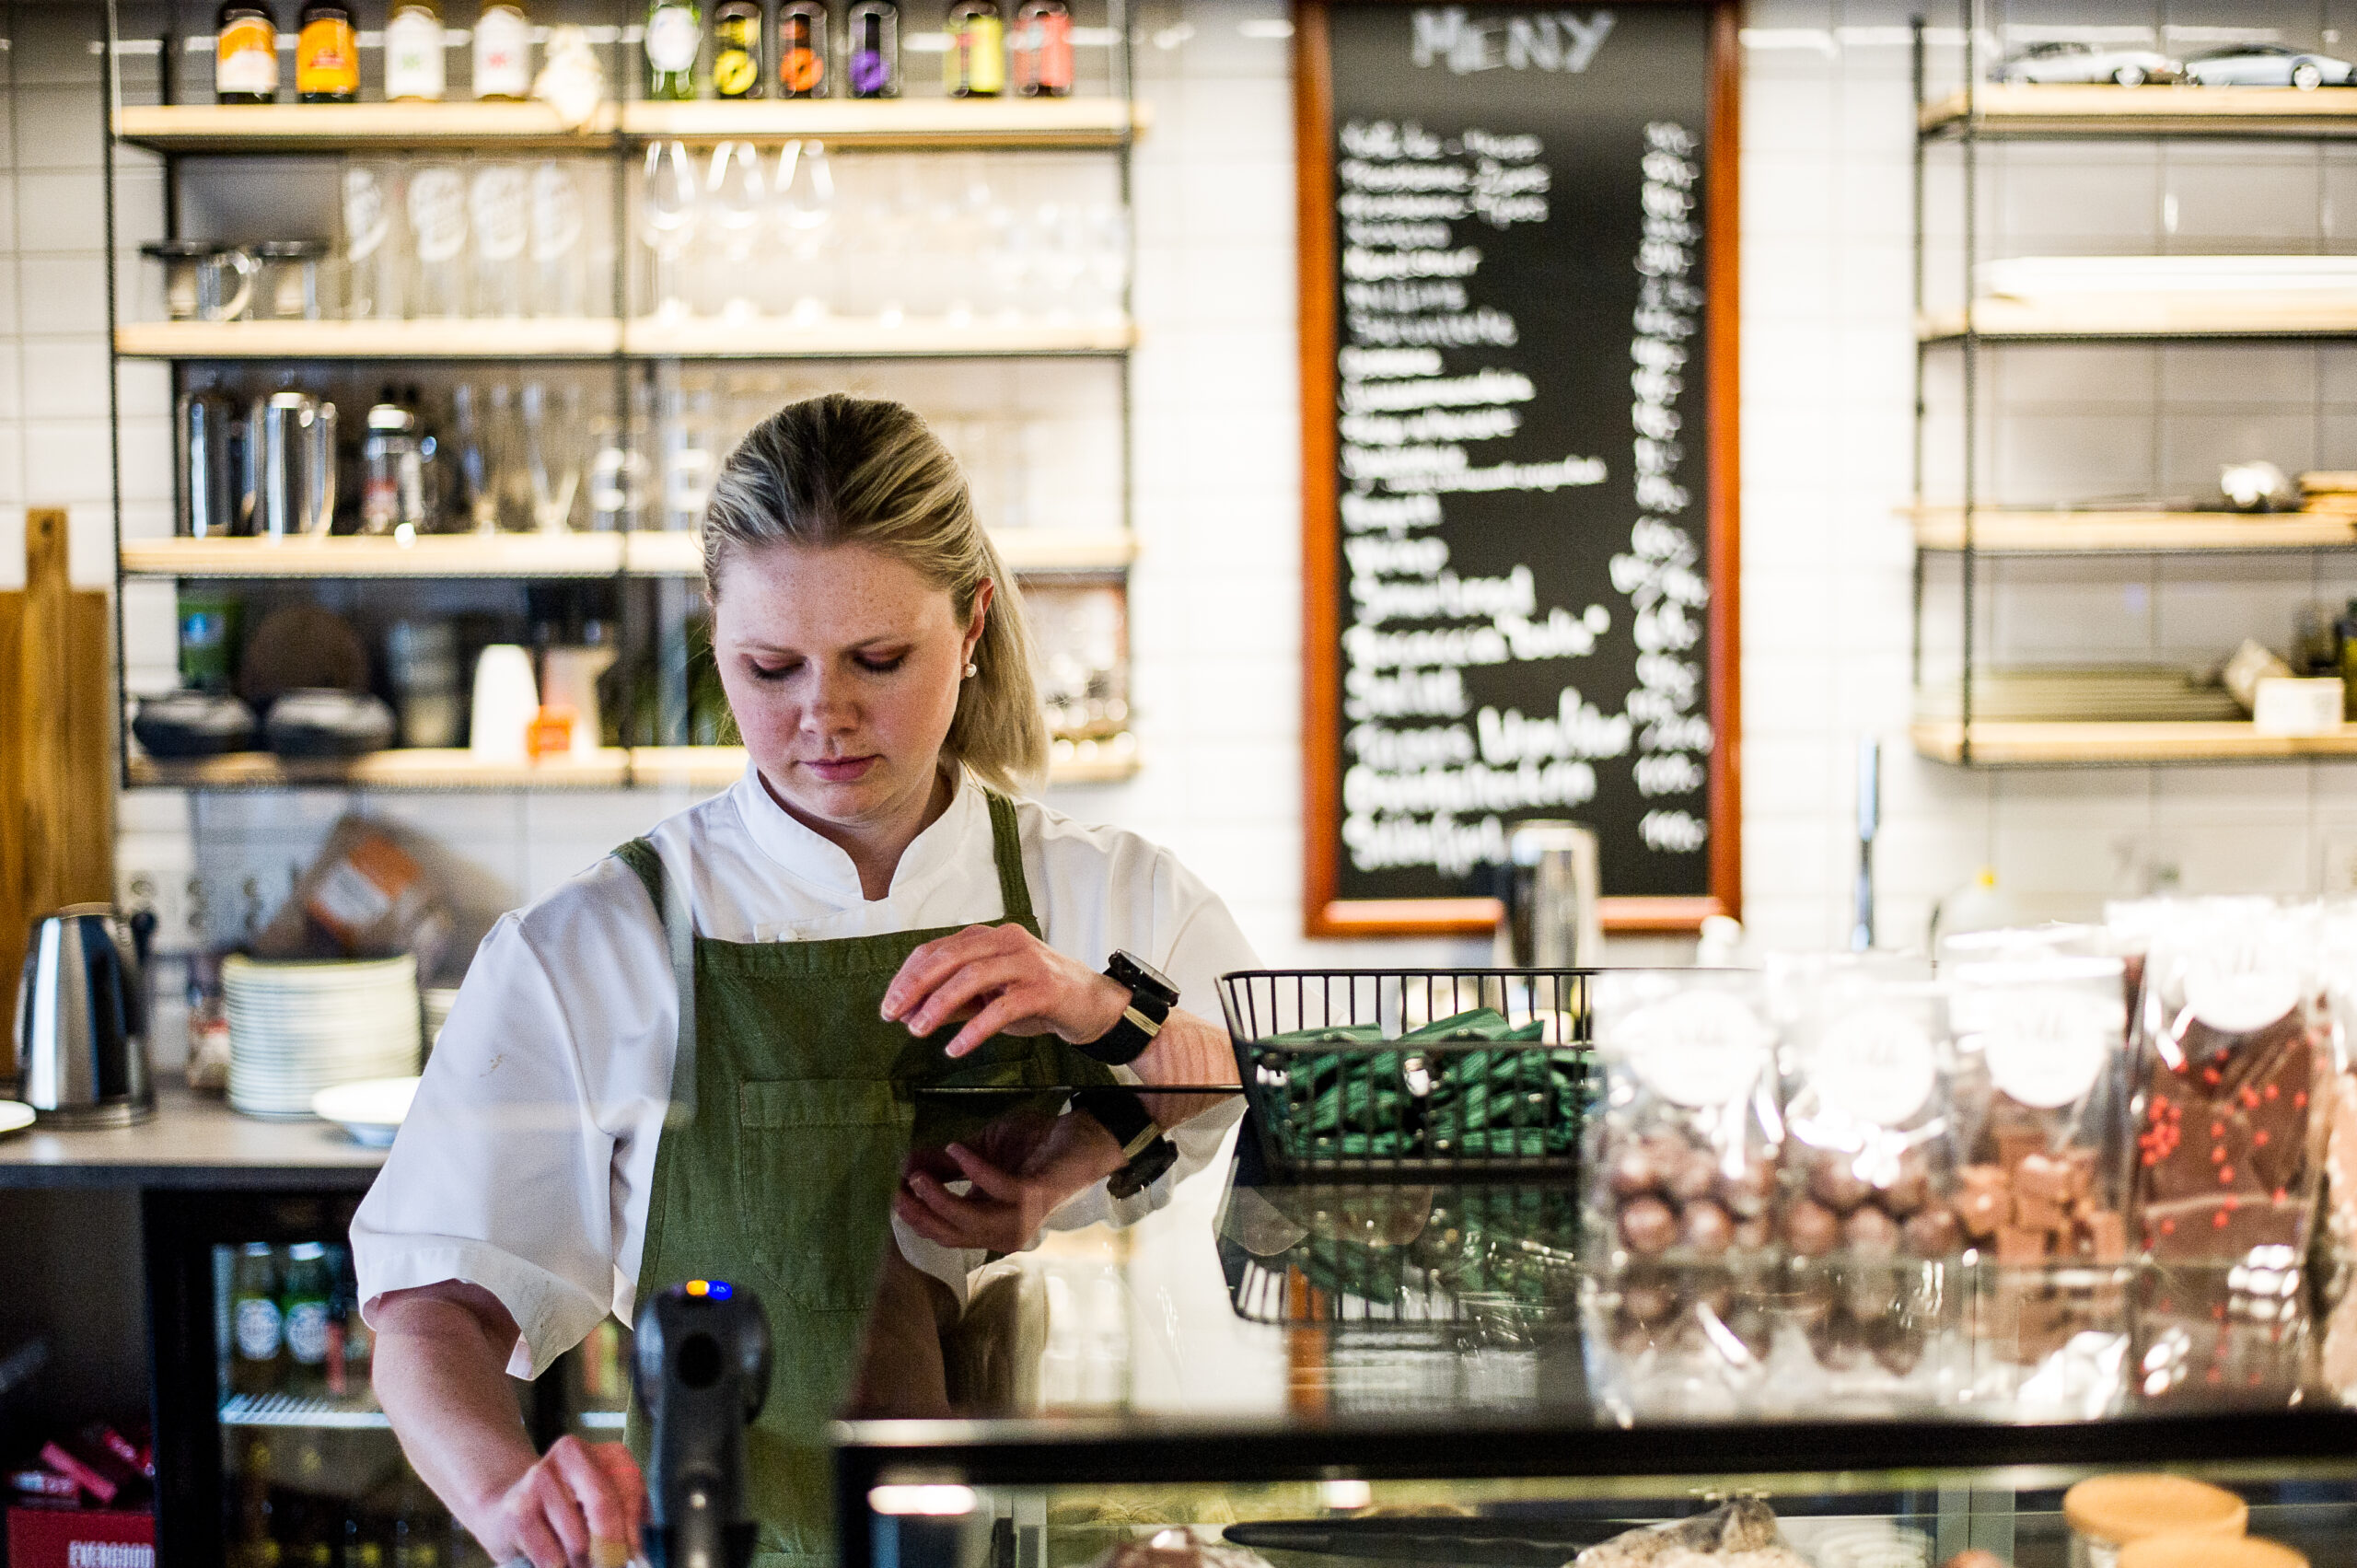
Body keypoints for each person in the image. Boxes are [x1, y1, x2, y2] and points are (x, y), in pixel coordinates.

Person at [352, 395, 1251, 1568]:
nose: (822, 716)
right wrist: (503, 1488)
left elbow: (1286, 1089)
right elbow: (433, 1301)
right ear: (714, 635)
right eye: (769, 666)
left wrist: (1098, 1062)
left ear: (972, 623)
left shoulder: (1112, 900)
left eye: (880, 660)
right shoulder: (598, 945)